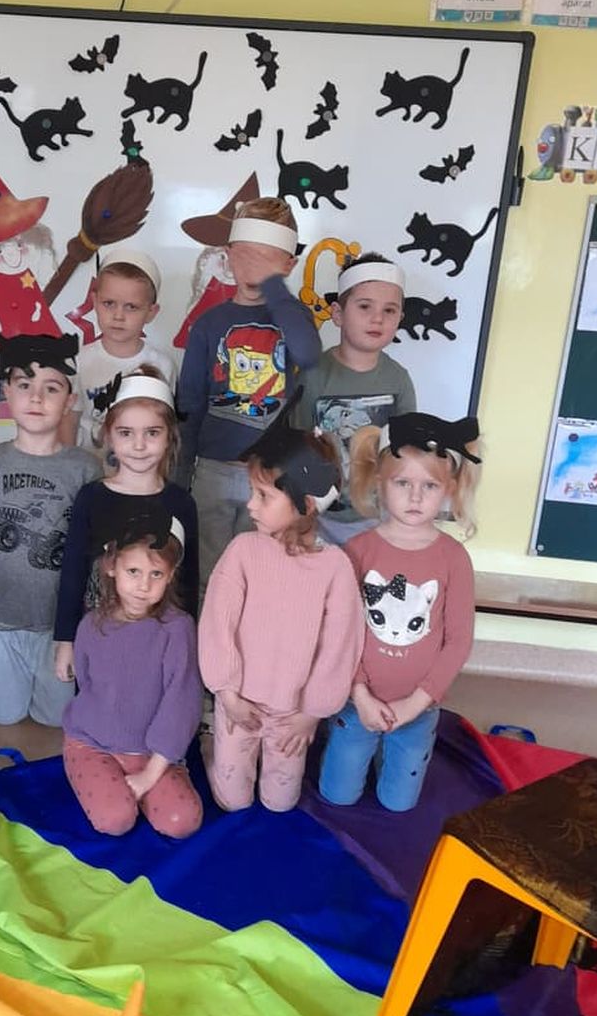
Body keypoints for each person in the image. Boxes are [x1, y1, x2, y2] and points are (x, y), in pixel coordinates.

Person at [198, 406, 363, 813]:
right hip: (239, 703)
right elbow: (218, 622)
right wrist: (226, 692)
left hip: (292, 713)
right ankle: (212, 746)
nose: (250, 505)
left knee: (280, 803)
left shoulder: (335, 567)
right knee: (233, 801)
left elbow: (339, 646)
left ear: (305, 503)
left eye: (264, 496)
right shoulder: (242, 551)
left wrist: (312, 712)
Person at [317, 413, 481, 814]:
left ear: (449, 488)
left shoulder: (454, 558)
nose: (415, 497)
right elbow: (340, 633)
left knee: (398, 804)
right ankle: (363, 744)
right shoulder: (357, 552)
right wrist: (360, 694)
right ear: (379, 481)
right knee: (337, 796)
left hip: (418, 710)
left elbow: (458, 640)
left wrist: (417, 702)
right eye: (402, 483)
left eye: (429, 486)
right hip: (356, 704)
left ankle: (392, 747)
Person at [174, 197, 322, 590]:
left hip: (271, 476)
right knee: (208, 575)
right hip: (213, 469)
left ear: (289, 264)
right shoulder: (209, 324)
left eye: (266, 258)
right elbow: (190, 402)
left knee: (261, 574)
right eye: (246, 255)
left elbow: (308, 353)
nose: (254, 266)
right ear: (227, 255)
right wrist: (179, 477)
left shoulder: (293, 316)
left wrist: (273, 285)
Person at [0, 332, 100, 726]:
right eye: (24, 385)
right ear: (7, 391)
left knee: (55, 719)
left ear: (69, 400)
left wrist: (83, 627)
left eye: (51, 388)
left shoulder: (85, 468)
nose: (36, 398)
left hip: (58, 626)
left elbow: (92, 555)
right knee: (2, 717)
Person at [62, 500, 203, 839]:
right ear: (112, 566)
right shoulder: (91, 625)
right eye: (134, 572)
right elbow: (87, 682)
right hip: (93, 744)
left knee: (181, 822)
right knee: (115, 820)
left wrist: (150, 775)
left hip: (153, 755)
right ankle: (92, 771)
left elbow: (182, 703)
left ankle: (153, 782)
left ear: (170, 576)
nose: (143, 586)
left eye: (156, 575)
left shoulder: (178, 628)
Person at [53, 367, 198, 683]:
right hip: (98, 642)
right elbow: (73, 574)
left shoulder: (181, 503)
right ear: (108, 435)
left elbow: (187, 582)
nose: (139, 445)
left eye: (152, 433)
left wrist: (188, 650)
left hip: (158, 648)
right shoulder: (91, 497)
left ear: (170, 436)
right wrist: (66, 641)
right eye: (126, 433)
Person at [295, 252, 416, 546]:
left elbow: (406, 456)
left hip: (376, 520)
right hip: (319, 520)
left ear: (400, 319)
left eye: (389, 310)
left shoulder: (399, 380)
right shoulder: (312, 377)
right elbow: (297, 449)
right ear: (338, 313)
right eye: (364, 306)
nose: (377, 318)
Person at [69, 250, 176, 452]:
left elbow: (166, 430)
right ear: (95, 302)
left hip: (141, 468)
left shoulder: (162, 366)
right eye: (109, 303)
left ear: (151, 312)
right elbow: (69, 423)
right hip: (88, 468)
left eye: (131, 307)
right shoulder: (79, 362)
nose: (118, 316)